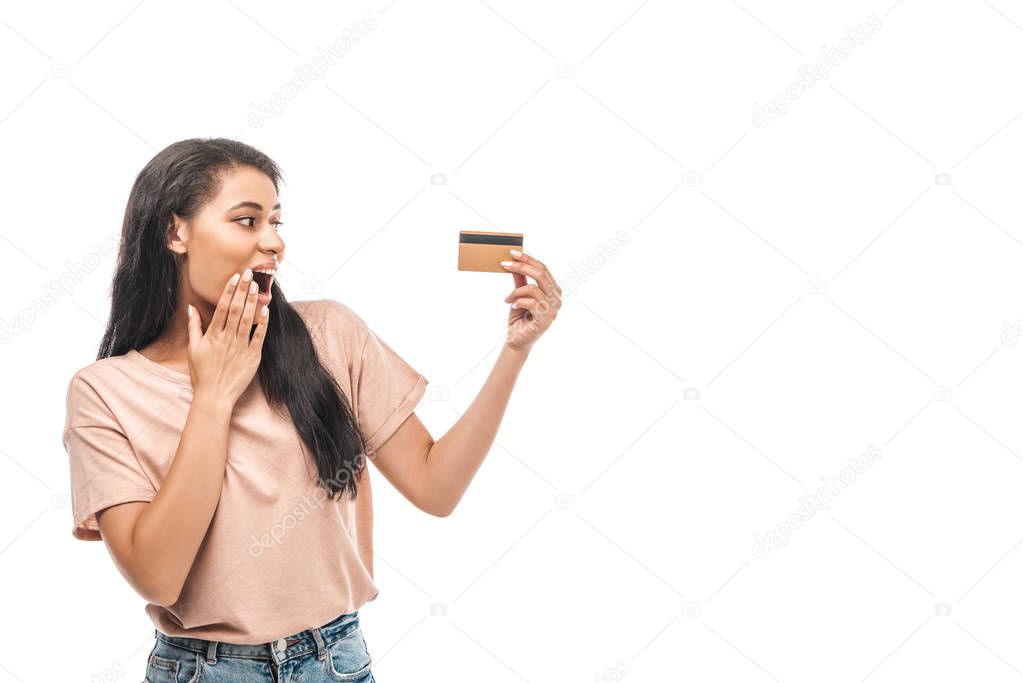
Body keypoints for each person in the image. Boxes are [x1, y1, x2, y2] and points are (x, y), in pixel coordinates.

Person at [61, 137, 562, 682]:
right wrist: (213, 396)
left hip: (336, 661)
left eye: (276, 221)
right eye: (247, 221)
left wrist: (515, 352)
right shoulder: (104, 390)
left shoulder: (328, 334)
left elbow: (435, 488)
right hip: (206, 671)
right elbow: (157, 577)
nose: (274, 243)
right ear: (175, 231)